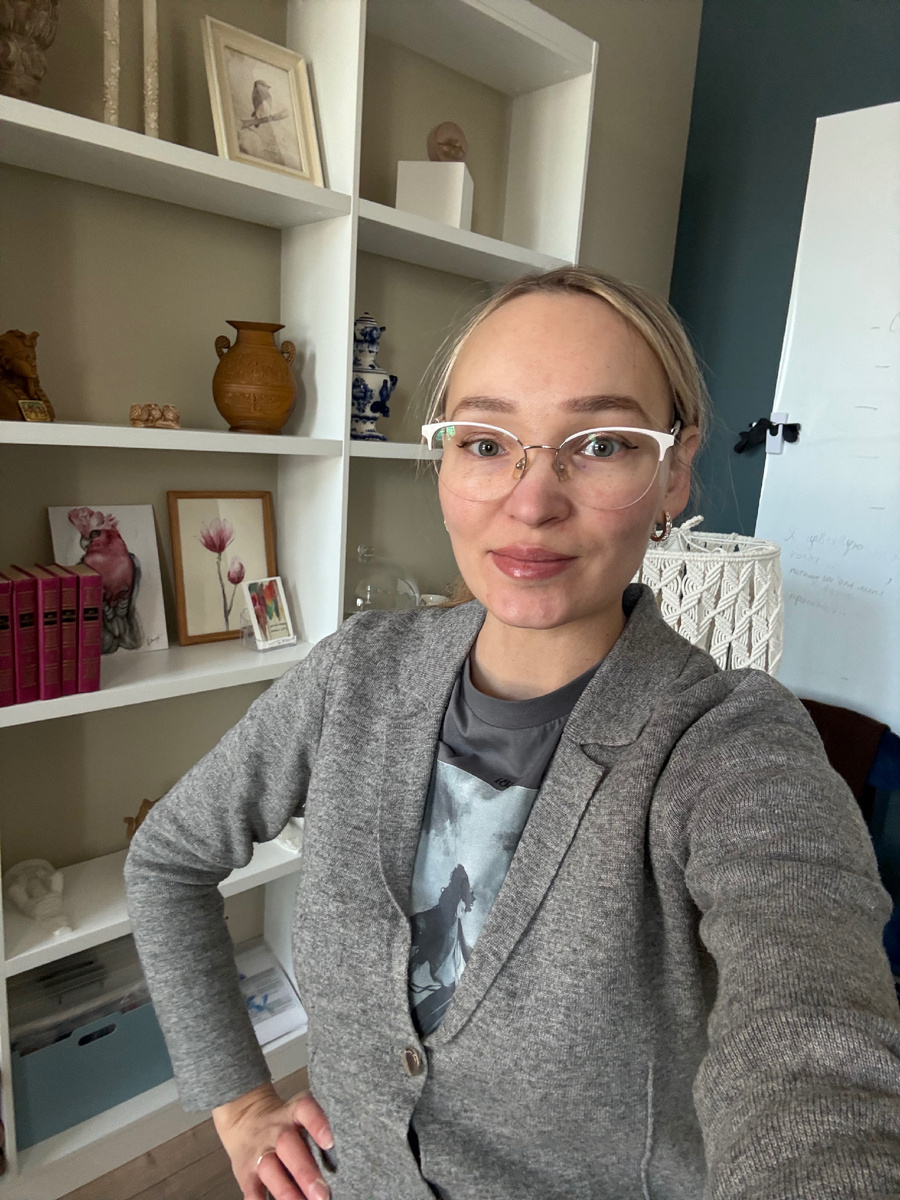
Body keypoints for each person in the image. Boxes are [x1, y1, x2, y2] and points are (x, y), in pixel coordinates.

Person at [124, 267, 900, 1200]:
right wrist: (239, 1101)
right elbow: (168, 858)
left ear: (673, 472)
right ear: (444, 461)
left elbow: (817, 1046)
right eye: (487, 443)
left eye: (601, 444)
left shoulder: (728, 745)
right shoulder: (356, 675)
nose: (532, 503)